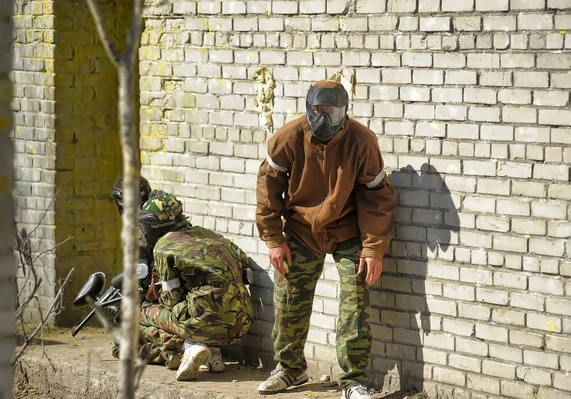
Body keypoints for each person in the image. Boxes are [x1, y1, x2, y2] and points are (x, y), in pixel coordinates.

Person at [255, 79, 396, 399]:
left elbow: (377, 198)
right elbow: (268, 189)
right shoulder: (288, 136)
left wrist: (374, 248)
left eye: (329, 111)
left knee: (354, 303)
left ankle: (352, 381)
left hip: (347, 231)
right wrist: (274, 239)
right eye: (315, 110)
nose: (321, 118)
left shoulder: (362, 141)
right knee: (288, 298)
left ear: (344, 111)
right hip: (301, 231)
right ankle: (290, 369)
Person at [110, 180, 254, 379]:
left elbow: (171, 299)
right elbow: (246, 268)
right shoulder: (211, 235)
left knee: (141, 312)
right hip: (243, 324)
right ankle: (212, 352)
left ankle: (189, 347)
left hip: (202, 326)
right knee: (198, 308)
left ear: (153, 225)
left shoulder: (163, 246)